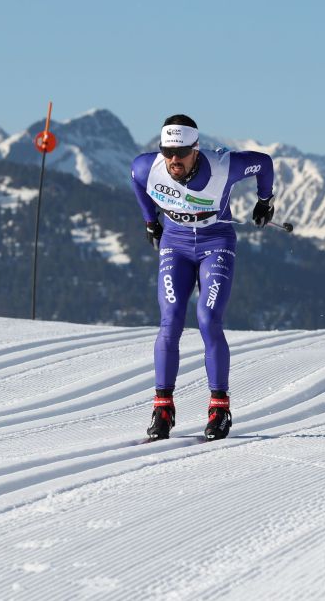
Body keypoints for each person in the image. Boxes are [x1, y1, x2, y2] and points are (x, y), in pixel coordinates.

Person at [130, 114, 274, 440]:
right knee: (170, 321)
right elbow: (136, 181)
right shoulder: (146, 167)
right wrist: (150, 221)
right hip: (175, 245)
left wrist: (265, 200)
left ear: (196, 148)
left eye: (181, 152)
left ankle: (219, 409)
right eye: (167, 152)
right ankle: (162, 408)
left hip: (216, 243)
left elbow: (264, 163)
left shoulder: (224, 166)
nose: (173, 160)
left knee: (208, 318)